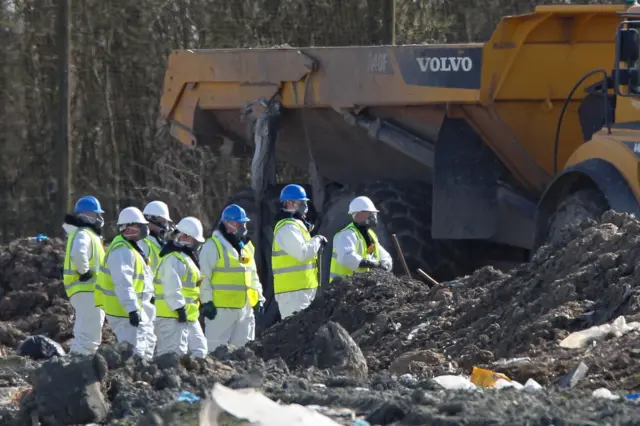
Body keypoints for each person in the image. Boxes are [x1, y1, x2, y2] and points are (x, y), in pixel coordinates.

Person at [200, 204, 265, 351]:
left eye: (244, 223)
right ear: (226, 224)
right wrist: (207, 301)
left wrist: (259, 299)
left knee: (244, 353)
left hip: (245, 309)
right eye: (238, 223)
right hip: (221, 310)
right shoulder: (213, 246)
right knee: (215, 351)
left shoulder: (247, 247)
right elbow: (203, 277)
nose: (243, 227)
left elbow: (253, 275)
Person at [95, 207, 156, 360]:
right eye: (139, 225)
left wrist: (149, 296)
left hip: (137, 309)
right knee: (135, 352)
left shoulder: (132, 249)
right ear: (127, 227)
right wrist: (132, 309)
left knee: (146, 347)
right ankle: (135, 380)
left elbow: (142, 279)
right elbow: (123, 283)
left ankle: (143, 380)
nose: (144, 228)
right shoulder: (121, 251)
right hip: (124, 312)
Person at [154, 216, 208, 357]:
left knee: (199, 351)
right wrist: (179, 308)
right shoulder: (173, 258)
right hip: (171, 316)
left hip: (188, 315)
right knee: (172, 356)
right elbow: (171, 286)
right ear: (185, 237)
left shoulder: (185, 258)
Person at [271, 184, 326, 319]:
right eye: (301, 203)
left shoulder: (295, 226)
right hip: (293, 294)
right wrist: (317, 240)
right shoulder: (287, 228)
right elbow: (303, 253)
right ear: (289, 203)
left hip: (302, 291)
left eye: (305, 203)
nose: (305, 207)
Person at [62, 196, 106, 355]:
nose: (99, 218)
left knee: (85, 334)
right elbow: (78, 254)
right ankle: (78, 368)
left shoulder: (84, 234)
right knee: (89, 337)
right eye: (96, 214)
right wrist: (85, 272)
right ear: (87, 214)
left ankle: (74, 364)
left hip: (87, 291)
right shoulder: (84, 234)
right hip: (88, 289)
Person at [329, 196, 393, 282]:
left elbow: (383, 255)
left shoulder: (370, 235)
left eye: (373, 213)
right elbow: (346, 257)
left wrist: (385, 264)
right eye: (369, 213)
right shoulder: (347, 234)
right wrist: (371, 264)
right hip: (343, 287)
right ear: (358, 214)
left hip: (361, 287)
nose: (373, 216)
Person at [138, 201, 174, 272]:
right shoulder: (142, 242)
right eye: (163, 221)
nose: (165, 225)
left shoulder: (158, 240)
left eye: (166, 222)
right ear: (149, 220)